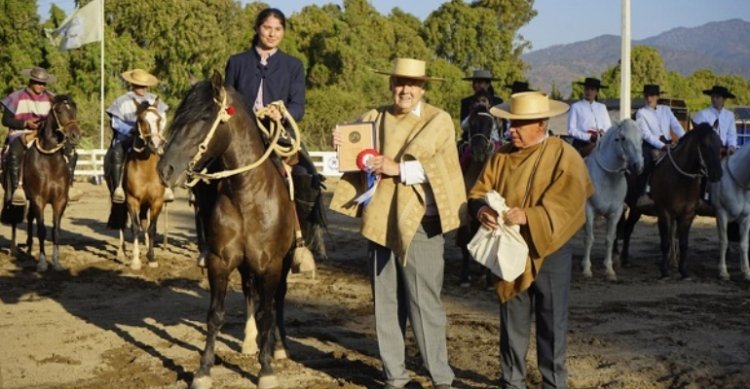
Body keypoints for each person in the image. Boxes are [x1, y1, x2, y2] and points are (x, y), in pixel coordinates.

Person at [331, 58, 467, 389]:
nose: (405, 89)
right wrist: (342, 143)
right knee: (387, 302)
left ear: (423, 87)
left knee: (425, 304)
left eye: (412, 84)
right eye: (399, 82)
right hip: (380, 219)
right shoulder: (372, 118)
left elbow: (445, 169)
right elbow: (352, 156)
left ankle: (441, 378)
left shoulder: (440, 121)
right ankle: (395, 376)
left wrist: (399, 169)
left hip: (422, 223)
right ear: (391, 84)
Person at [468, 91, 593, 388]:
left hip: (551, 250)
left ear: (540, 123)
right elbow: (477, 192)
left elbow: (569, 202)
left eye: (519, 124)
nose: (511, 129)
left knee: (552, 323)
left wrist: (531, 216)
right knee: (512, 322)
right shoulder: (500, 155)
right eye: (511, 123)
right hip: (508, 251)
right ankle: (512, 382)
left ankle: (554, 383)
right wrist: (482, 210)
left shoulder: (565, 156)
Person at [224, 7, 323, 271]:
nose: (272, 33)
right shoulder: (237, 61)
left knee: (307, 176)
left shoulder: (293, 65)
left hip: (280, 134)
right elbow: (226, 100)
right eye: (267, 27)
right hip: (242, 135)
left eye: (278, 29)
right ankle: (207, 241)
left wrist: (283, 113)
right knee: (207, 173)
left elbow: (299, 106)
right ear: (258, 28)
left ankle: (301, 242)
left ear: (283, 33)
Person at [1, 67, 78, 205]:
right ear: (31, 81)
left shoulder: (51, 98)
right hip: (21, 133)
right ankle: (15, 189)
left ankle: (69, 185)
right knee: (14, 153)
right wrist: (26, 123)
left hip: (47, 134)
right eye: (38, 82)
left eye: (43, 83)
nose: (41, 86)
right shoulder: (16, 97)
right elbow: (6, 120)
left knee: (71, 151)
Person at [105, 68, 173, 204]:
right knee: (117, 152)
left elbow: (163, 118)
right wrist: (133, 130)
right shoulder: (122, 101)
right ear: (133, 85)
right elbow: (116, 123)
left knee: (168, 152)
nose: (142, 88)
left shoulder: (155, 100)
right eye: (138, 85)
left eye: (144, 85)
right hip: (128, 136)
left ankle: (167, 186)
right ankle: (118, 187)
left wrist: (157, 132)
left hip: (152, 135)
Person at [635, 84, 686, 206]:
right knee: (646, 163)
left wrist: (685, 139)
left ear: (657, 96)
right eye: (647, 95)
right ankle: (644, 193)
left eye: (652, 95)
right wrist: (662, 146)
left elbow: (676, 126)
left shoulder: (666, 110)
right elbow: (646, 135)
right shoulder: (640, 113)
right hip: (651, 146)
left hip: (668, 144)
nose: (649, 98)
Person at [567, 77, 612, 149]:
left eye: (592, 89)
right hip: (581, 143)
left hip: (601, 142)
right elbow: (571, 130)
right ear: (584, 90)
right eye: (587, 89)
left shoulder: (602, 107)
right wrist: (588, 137)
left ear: (597, 92)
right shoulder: (576, 107)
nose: (589, 92)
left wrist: (602, 133)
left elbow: (608, 127)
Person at [692, 85, 737, 156]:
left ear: (724, 99)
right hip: (707, 152)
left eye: (717, 97)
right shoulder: (702, 114)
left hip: (726, 151)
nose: (714, 99)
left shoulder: (729, 115)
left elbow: (731, 134)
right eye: (712, 96)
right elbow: (695, 136)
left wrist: (732, 146)